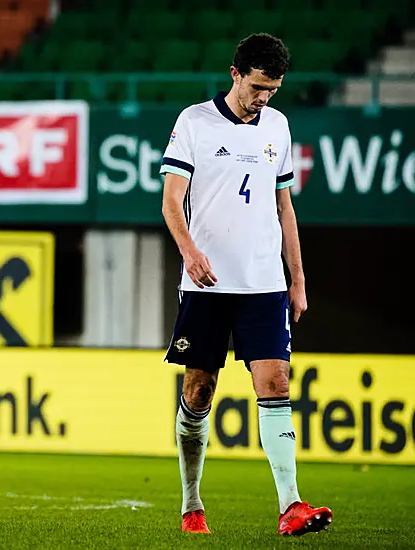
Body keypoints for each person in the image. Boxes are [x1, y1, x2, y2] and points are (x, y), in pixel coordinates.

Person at [160, 34, 332, 536]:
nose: (264, 98)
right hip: (207, 286)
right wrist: (190, 253)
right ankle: (192, 503)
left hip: (263, 284)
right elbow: (172, 202)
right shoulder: (194, 122)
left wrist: (297, 279)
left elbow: (284, 208)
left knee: (275, 381)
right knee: (199, 388)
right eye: (258, 87)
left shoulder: (277, 126)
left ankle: (291, 506)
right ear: (235, 73)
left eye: (273, 90)